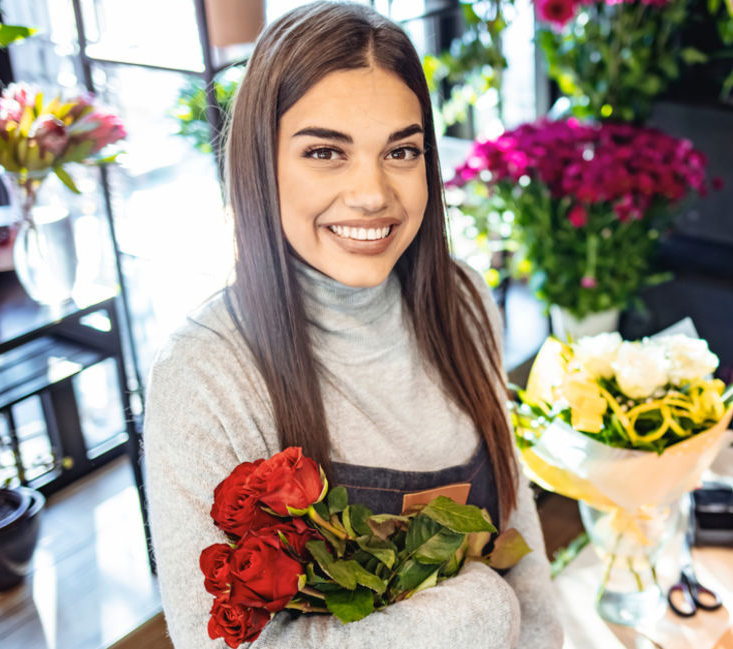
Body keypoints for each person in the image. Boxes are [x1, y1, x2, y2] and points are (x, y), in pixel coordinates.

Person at [141, 3, 563, 647]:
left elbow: (517, 531)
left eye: (401, 150)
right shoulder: (204, 378)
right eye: (325, 152)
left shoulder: (466, 299)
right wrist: (477, 608)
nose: (372, 193)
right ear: (261, 163)